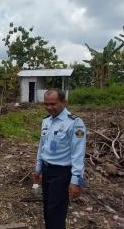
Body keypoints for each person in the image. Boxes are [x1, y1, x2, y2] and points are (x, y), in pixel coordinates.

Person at [33, 89, 87, 229]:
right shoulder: (46, 121)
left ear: (63, 102)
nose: (49, 107)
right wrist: (38, 168)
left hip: (61, 174)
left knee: (55, 212)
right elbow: (42, 145)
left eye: (53, 104)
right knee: (47, 210)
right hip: (46, 170)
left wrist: (76, 181)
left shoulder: (75, 123)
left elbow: (78, 153)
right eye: (46, 104)